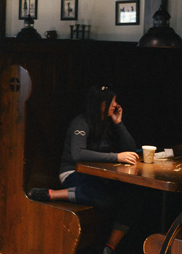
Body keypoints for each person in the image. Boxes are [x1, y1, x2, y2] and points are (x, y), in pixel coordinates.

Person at [27, 85, 143, 254]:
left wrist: (119, 124)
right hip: (73, 174)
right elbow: (77, 154)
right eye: (112, 101)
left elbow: (130, 148)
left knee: (134, 196)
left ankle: (109, 247)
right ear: (101, 104)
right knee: (106, 198)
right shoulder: (81, 122)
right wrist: (116, 157)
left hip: (99, 177)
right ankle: (52, 194)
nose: (115, 105)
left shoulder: (108, 123)